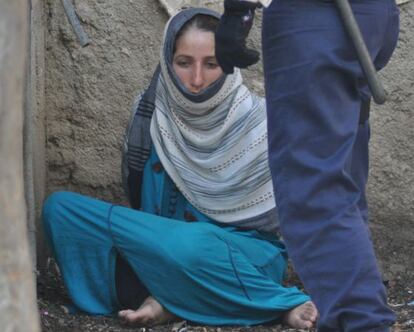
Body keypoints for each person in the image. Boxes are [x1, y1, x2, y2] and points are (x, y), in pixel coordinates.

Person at [42, 7, 318, 329]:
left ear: (229, 63)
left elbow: (277, 224)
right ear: (168, 62)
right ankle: (175, 298)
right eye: (184, 63)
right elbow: (139, 205)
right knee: (60, 210)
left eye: (212, 64)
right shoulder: (150, 116)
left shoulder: (262, 124)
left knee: (190, 245)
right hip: (157, 251)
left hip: (234, 259)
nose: (197, 79)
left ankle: (277, 304)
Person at [214, 0, 400, 331]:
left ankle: (361, 323)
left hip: (318, 14)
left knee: (313, 186)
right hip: (369, 14)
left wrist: (237, 9)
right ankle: (346, 320)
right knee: (340, 176)